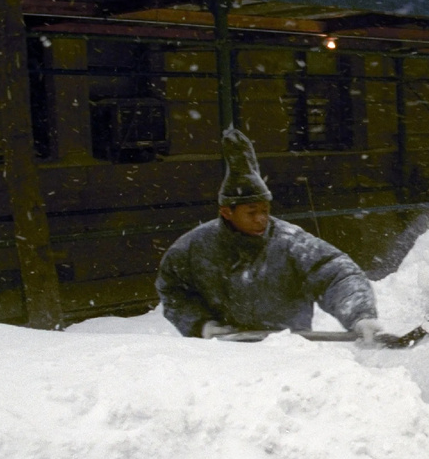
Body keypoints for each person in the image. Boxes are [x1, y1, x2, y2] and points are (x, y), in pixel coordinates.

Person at [156, 126, 383, 343]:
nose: (261, 219)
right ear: (226, 212)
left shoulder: (291, 242)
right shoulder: (193, 248)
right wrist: (201, 324)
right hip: (222, 356)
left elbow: (337, 274)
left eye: (265, 210)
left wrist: (361, 316)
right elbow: (173, 291)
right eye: (251, 212)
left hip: (286, 352)